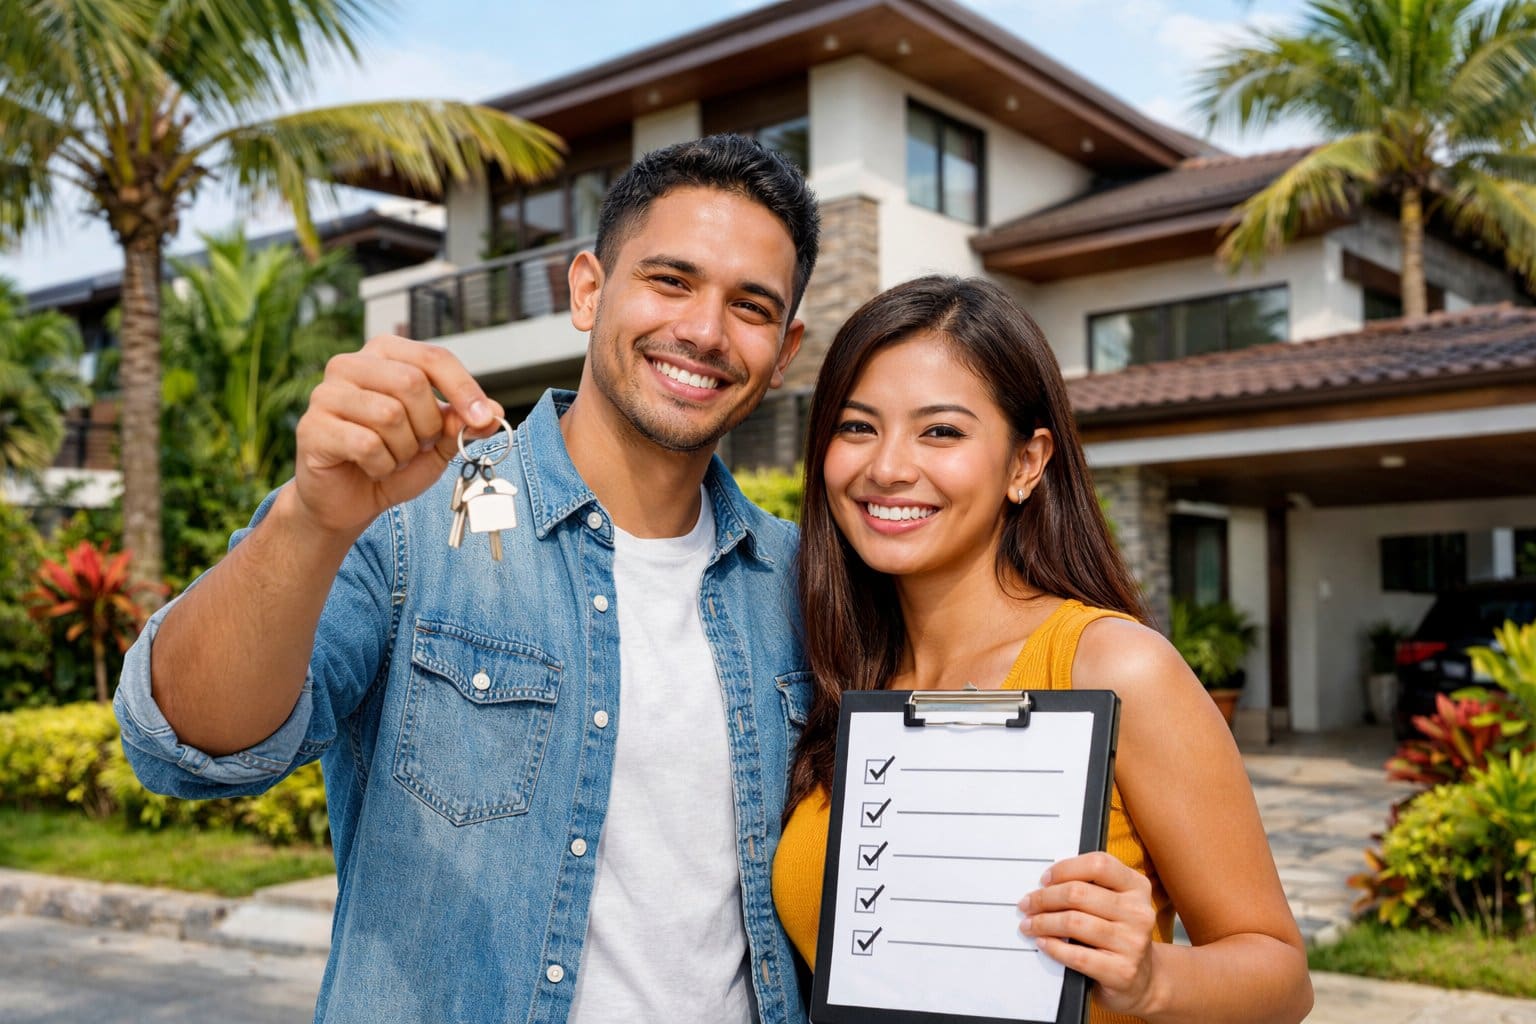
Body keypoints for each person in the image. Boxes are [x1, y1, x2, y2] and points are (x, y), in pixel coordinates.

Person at [115, 134, 820, 1024]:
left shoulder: (802, 580)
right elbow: (183, 747)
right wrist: (309, 517)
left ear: (786, 348)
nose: (706, 331)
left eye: (751, 305)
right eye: (671, 280)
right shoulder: (404, 520)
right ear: (589, 290)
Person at [770, 276, 1313, 1024]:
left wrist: (1153, 980)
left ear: (1027, 463)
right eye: (857, 427)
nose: (887, 467)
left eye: (942, 432)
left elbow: (1283, 979)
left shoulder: (1115, 668)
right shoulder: (835, 679)